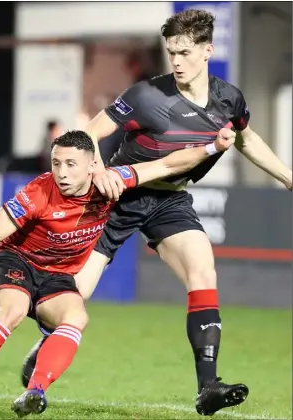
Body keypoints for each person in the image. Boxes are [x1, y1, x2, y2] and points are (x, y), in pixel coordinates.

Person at [21, 9, 292, 417]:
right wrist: (98, 171)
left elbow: (245, 139)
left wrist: (287, 176)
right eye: (171, 52)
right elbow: (91, 132)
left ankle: (208, 387)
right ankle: (44, 348)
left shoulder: (228, 99)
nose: (177, 61)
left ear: (207, 51)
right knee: (74, 295)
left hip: (169, 199)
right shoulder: (146, 95)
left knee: (203, 270)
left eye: (184, 52)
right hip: (117, 200)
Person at [0, 129, 234, 418]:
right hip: (17, 262)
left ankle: (35, 392)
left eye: (70, 164)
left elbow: (167, 164)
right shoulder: (38, 192)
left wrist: (213, 148)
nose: (62, 173)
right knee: (12, 311)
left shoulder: (111, 183)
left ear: (93, 165)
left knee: (77, 317)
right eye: (56, 163)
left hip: (57, 275)